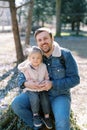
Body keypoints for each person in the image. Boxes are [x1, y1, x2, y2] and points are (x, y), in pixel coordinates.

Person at [11, 27, 80, 130]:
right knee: (17, 104)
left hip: (59, 96)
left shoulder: (65, 55)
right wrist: (25, 84)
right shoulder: (36, 55)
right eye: (40, 40)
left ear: (52, 38)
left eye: (45, 38)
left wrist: (53, 84)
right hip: (36, 93)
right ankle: (41, 127)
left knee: (62, 122)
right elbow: (22, 73)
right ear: (37, 42)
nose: (43, 42)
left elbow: (75, 79)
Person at [17, 46, 52, 129]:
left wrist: (46, 81)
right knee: (34, 98)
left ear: (41, 59)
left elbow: (46, 76)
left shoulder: (43, 66)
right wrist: (30, 83)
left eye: (38, 58)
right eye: (33, 58)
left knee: (45, 99)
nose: (36, 60)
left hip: (42, 87)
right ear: (29, 58)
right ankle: (35, 115)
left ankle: (47, 117)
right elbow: (27, 79)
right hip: (31, 88)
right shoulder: (26, 68)